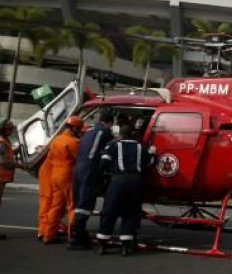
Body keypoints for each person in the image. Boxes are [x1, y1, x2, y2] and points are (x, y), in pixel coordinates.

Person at [96, 124, 155, 256]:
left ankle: (102, 244)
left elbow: (103, 163)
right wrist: (153, 152)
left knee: (109, 211)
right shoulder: (141, 147)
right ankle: (125, 247)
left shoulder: (113, 145)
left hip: (117, 180)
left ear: (120, 134)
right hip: (135, 181)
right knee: (131, 212)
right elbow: (150, 162)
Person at [68, 110, 115, 249]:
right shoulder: (105, 132)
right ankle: (77, 238)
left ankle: (77, 234)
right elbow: (111, 148)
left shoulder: (88, 131)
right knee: (86, 201)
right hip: (90, 168)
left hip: (78, 168)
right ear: (109, 123)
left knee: (79, 201)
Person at [43, 116, 83, 244]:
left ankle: (48, 236)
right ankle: (73, 237)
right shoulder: (73, 142)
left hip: (55, 175)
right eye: (79, 129)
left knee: (55, 206)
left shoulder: (56, 139)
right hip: (67, 176)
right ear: (75, 128)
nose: (80, 131)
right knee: (72, 206)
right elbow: (79, 159)